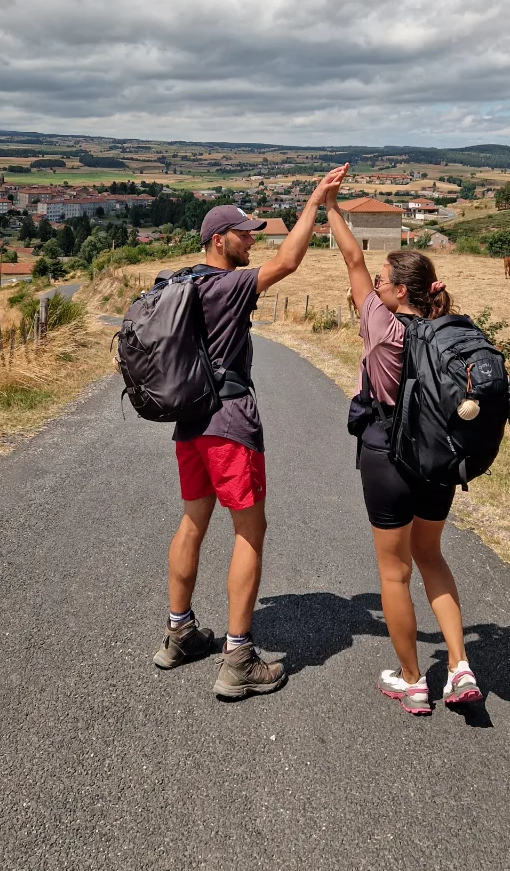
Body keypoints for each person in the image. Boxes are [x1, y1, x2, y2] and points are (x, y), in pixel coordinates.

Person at [154, 164, 350, 699]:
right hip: (229, 421)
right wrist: (315, 201)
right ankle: (238, 657)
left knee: (193, 520)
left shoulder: (183, 283)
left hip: (189, 421)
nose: (251, 241)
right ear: (220, 240)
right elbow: (289, 260)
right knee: (249, 532)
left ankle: (178, 633)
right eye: (245, 234)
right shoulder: (228, 286)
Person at [326, 188, 481, 715]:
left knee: (395, 573)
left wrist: (329, 207)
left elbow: (351, 259)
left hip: (387, 457)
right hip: (438, 460)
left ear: (395, 291)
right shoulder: (447, 334)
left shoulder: (380, 324)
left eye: (383, 281)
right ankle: (459, 667)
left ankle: (414, 680)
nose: (376, 285)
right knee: (431, 555)